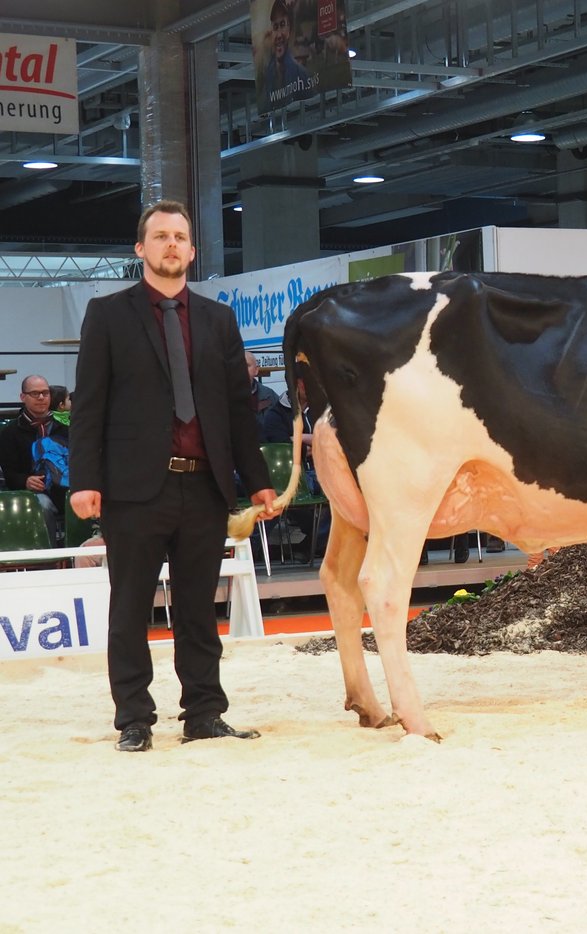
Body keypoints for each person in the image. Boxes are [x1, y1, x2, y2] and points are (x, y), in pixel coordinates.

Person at [70, 199, 280, 753]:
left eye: (179, 237)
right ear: (140, 248)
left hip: (205, 485)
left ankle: (204, 714)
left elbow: (239, 409)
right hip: (134, 488)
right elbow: (89, 405)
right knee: (130, 606)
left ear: (191, 249)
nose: (170, 245)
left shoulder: (219, 319)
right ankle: (134, 719)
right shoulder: (108, 314)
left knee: (196, 609)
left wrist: (257, 479)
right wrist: (83, 480)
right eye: (159, 236)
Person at [0, 374, 69, 544]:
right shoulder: (9, 433)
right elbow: (9, 474)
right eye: (35, 393)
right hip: (34, 493)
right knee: (41, 506)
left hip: (66, 488)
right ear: (23, 397)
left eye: (45, 393)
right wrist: (26, 481)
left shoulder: (66, 428)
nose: (41, 398)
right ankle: (48, 559)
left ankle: (84, 555)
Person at [261, 0, 312, 107]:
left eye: (282, 25)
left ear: (289, 29)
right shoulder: (268, 74)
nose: (279, 35)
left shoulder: (302, 75)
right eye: (275, 27)